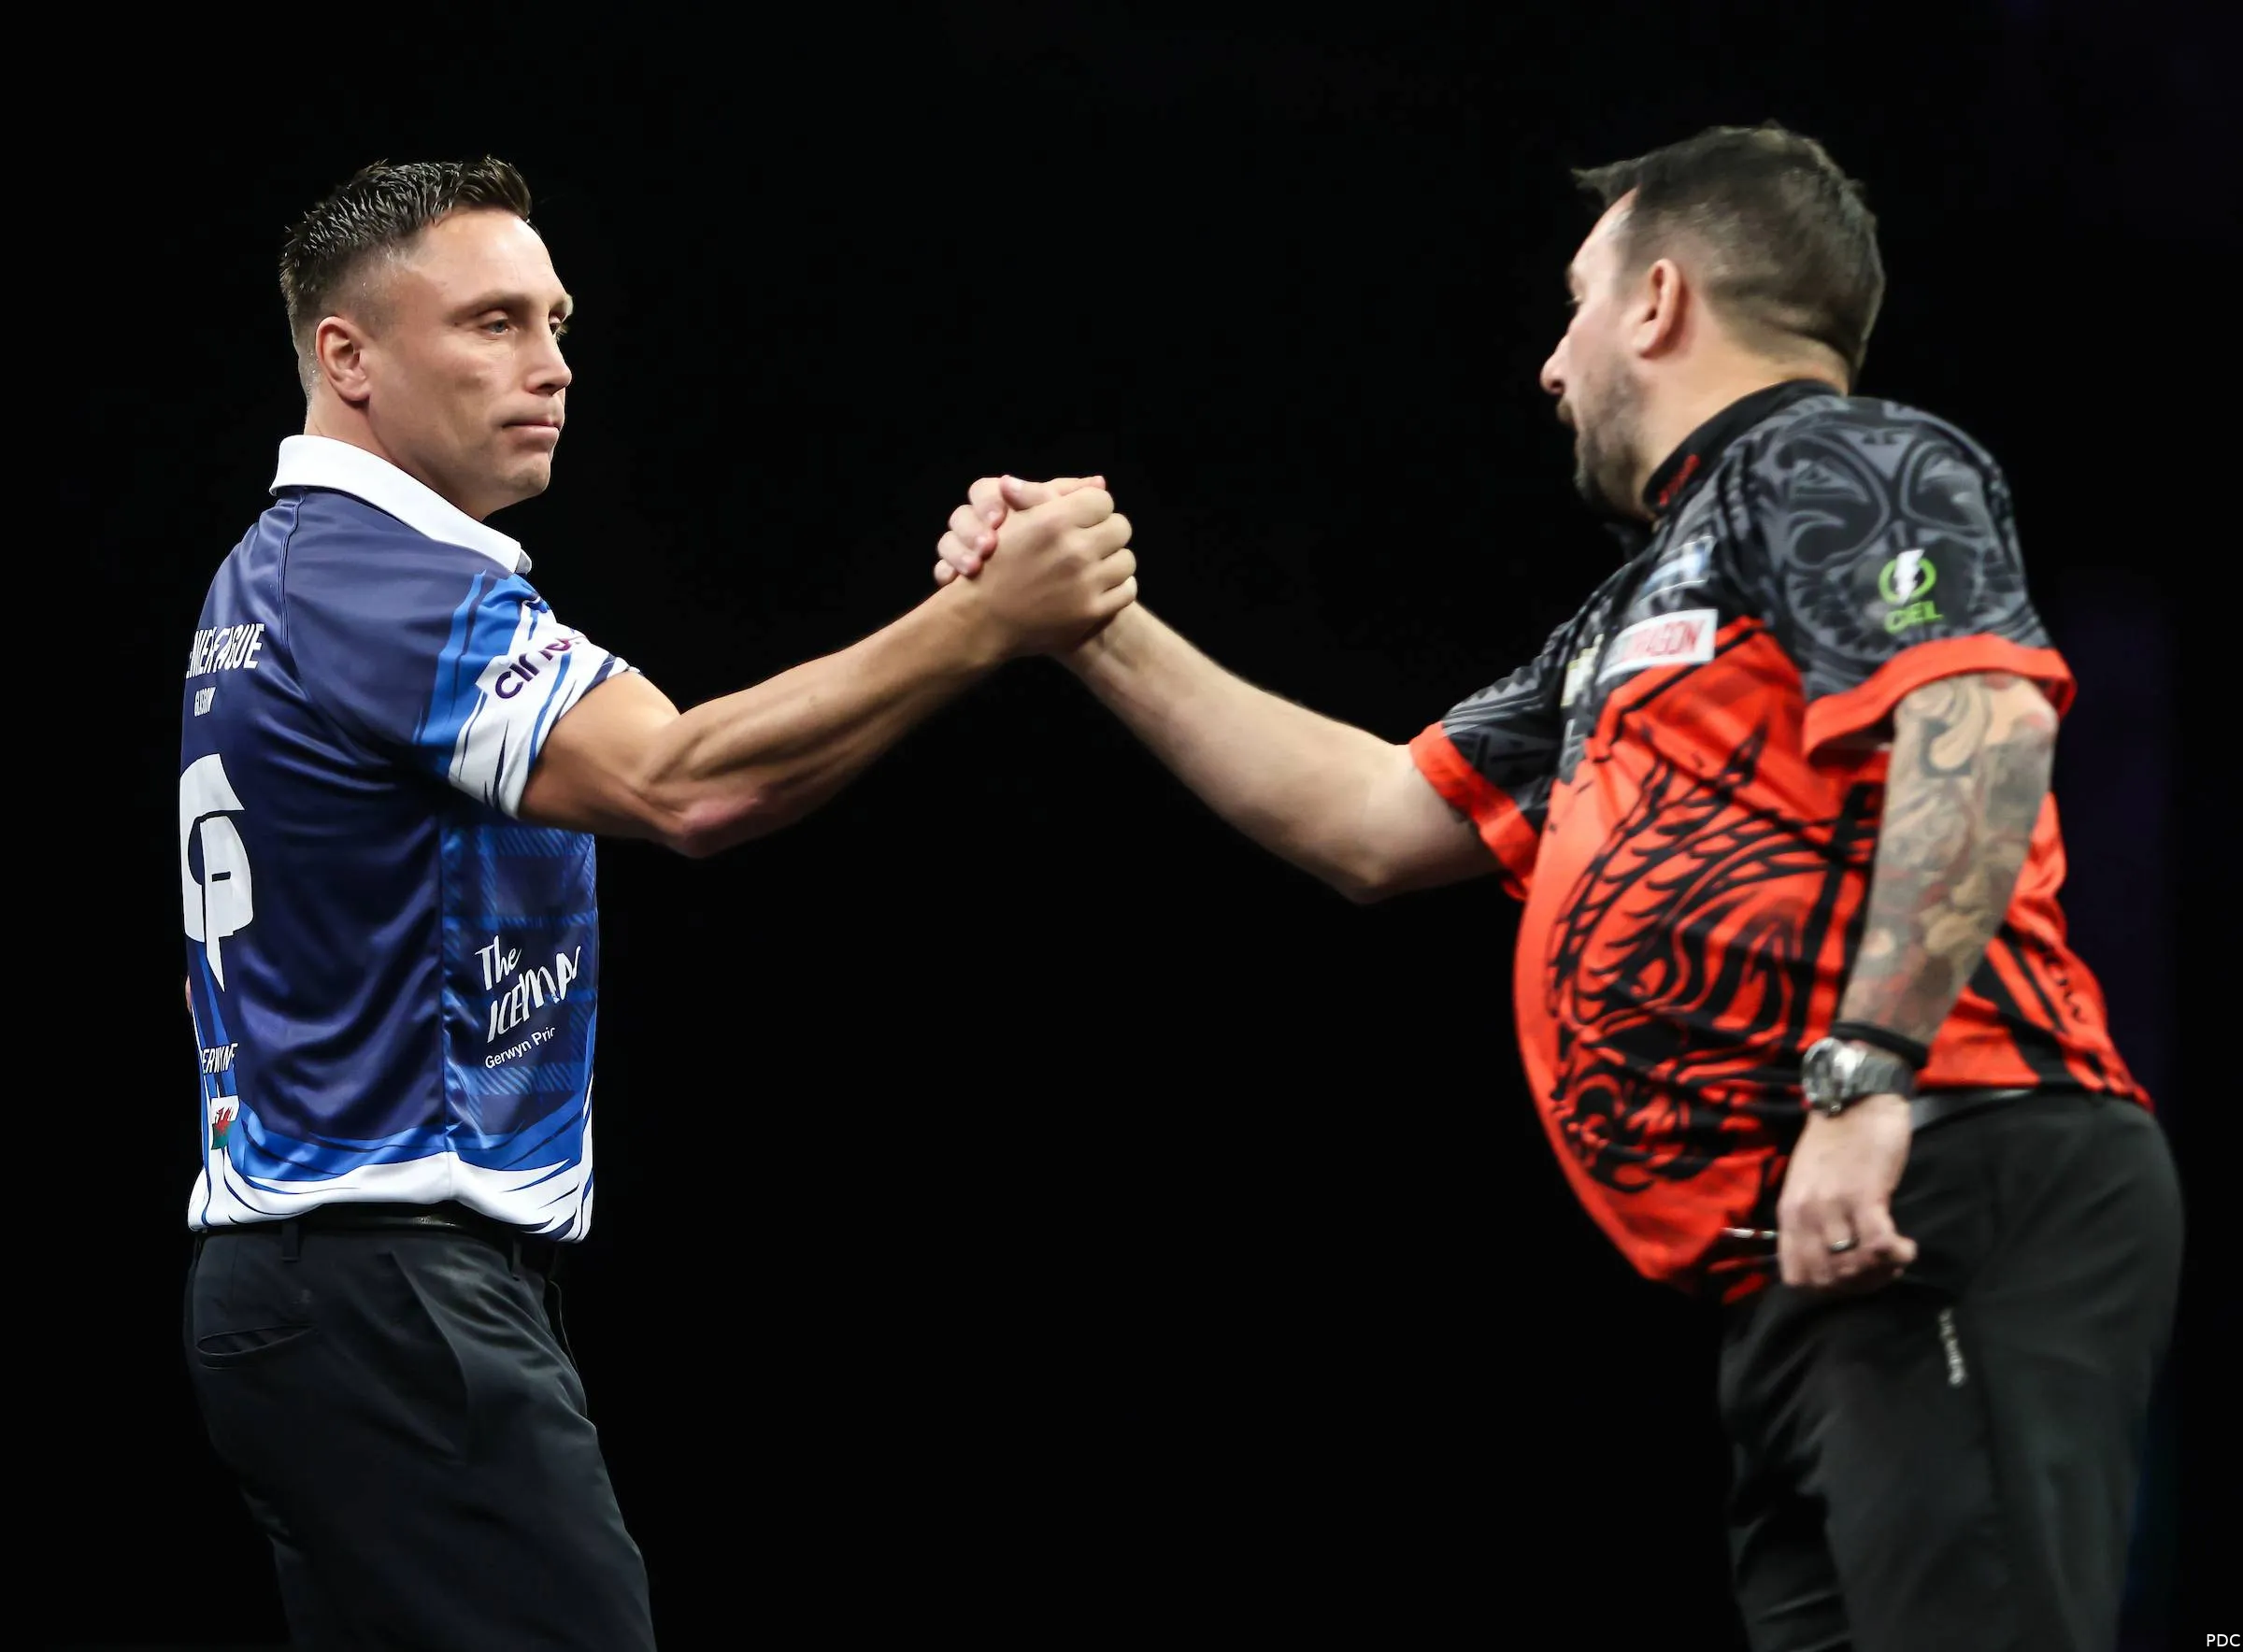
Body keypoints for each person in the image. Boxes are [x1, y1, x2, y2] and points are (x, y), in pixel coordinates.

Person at [936, 124, 2180, 1652]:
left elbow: (1980, 725)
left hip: (1947, 1167)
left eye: (1575, 304)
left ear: (1658, 300)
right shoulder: (1636, 608)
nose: (1549, 363)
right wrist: (1083, 625)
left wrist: (1865, 1088)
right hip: (1801, 1261)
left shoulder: (1847, 458)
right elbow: (1375, 817)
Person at [178, 156, 1136, 1649]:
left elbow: (714, 790)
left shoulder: (286, 574)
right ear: (344, 357)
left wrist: (972, 633)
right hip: (389, 1292)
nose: (553, 365)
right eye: (492, 322)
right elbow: (687, 785)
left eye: (556, 319)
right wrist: (978, 624)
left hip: (328, 1299)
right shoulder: (378, 580)